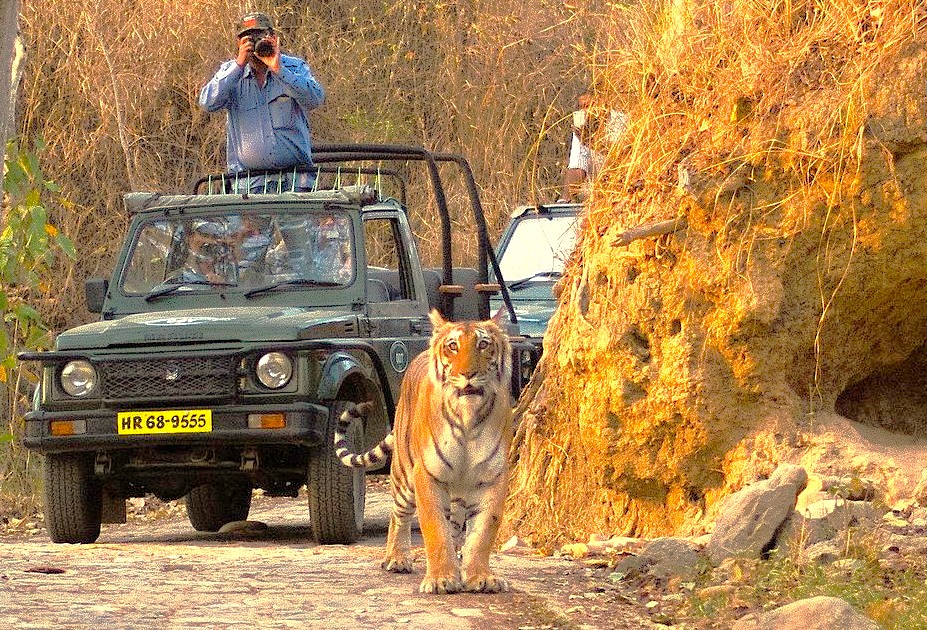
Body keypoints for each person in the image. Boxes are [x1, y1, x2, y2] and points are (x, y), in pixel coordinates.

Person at [199, 12, 325, 193]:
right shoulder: (230, 73)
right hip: (250, 184)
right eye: (248, 38)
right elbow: (207, 102)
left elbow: (315, 99)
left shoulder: (294, 67)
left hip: (296, 182)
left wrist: (279, 70)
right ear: (239, 43)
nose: (255, 42)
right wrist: (239, 65)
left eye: (260, 36)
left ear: (274, 38)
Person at [559, 92, 628, 202]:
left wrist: (591, 142)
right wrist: (564, 199)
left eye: (589, 106)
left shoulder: (620, 122)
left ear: (602, 103)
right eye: (582, 107)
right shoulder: (583, 128)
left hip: (620, 188)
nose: (586, 112)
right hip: (596, 193)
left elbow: (619, 161)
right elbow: (577, 167)